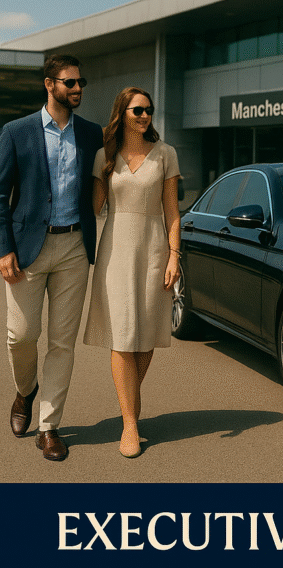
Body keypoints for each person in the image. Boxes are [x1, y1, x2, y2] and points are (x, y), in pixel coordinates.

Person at [0, 54, 103, 461]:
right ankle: (25, 391)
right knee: (21, 335)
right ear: (49, 84)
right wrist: (4, 248)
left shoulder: (91, 133)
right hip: (26, 249)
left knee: (62, 343)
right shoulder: (16, 132)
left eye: (80, 83)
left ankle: (49, 427)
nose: (78, 89)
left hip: (74, 248)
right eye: (69, 82)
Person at [82, 87, 180, 457]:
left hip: (155, 248)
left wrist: (174, 256)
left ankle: (128, 406)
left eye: (149, 109)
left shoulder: (166, 153)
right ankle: (130, 423)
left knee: (146, 334)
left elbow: (172, 211)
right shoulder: (103, 155)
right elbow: (93, 208)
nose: (144, 115)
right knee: (123, 334)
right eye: (137, 109)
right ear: (122, 112)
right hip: (116, 250)